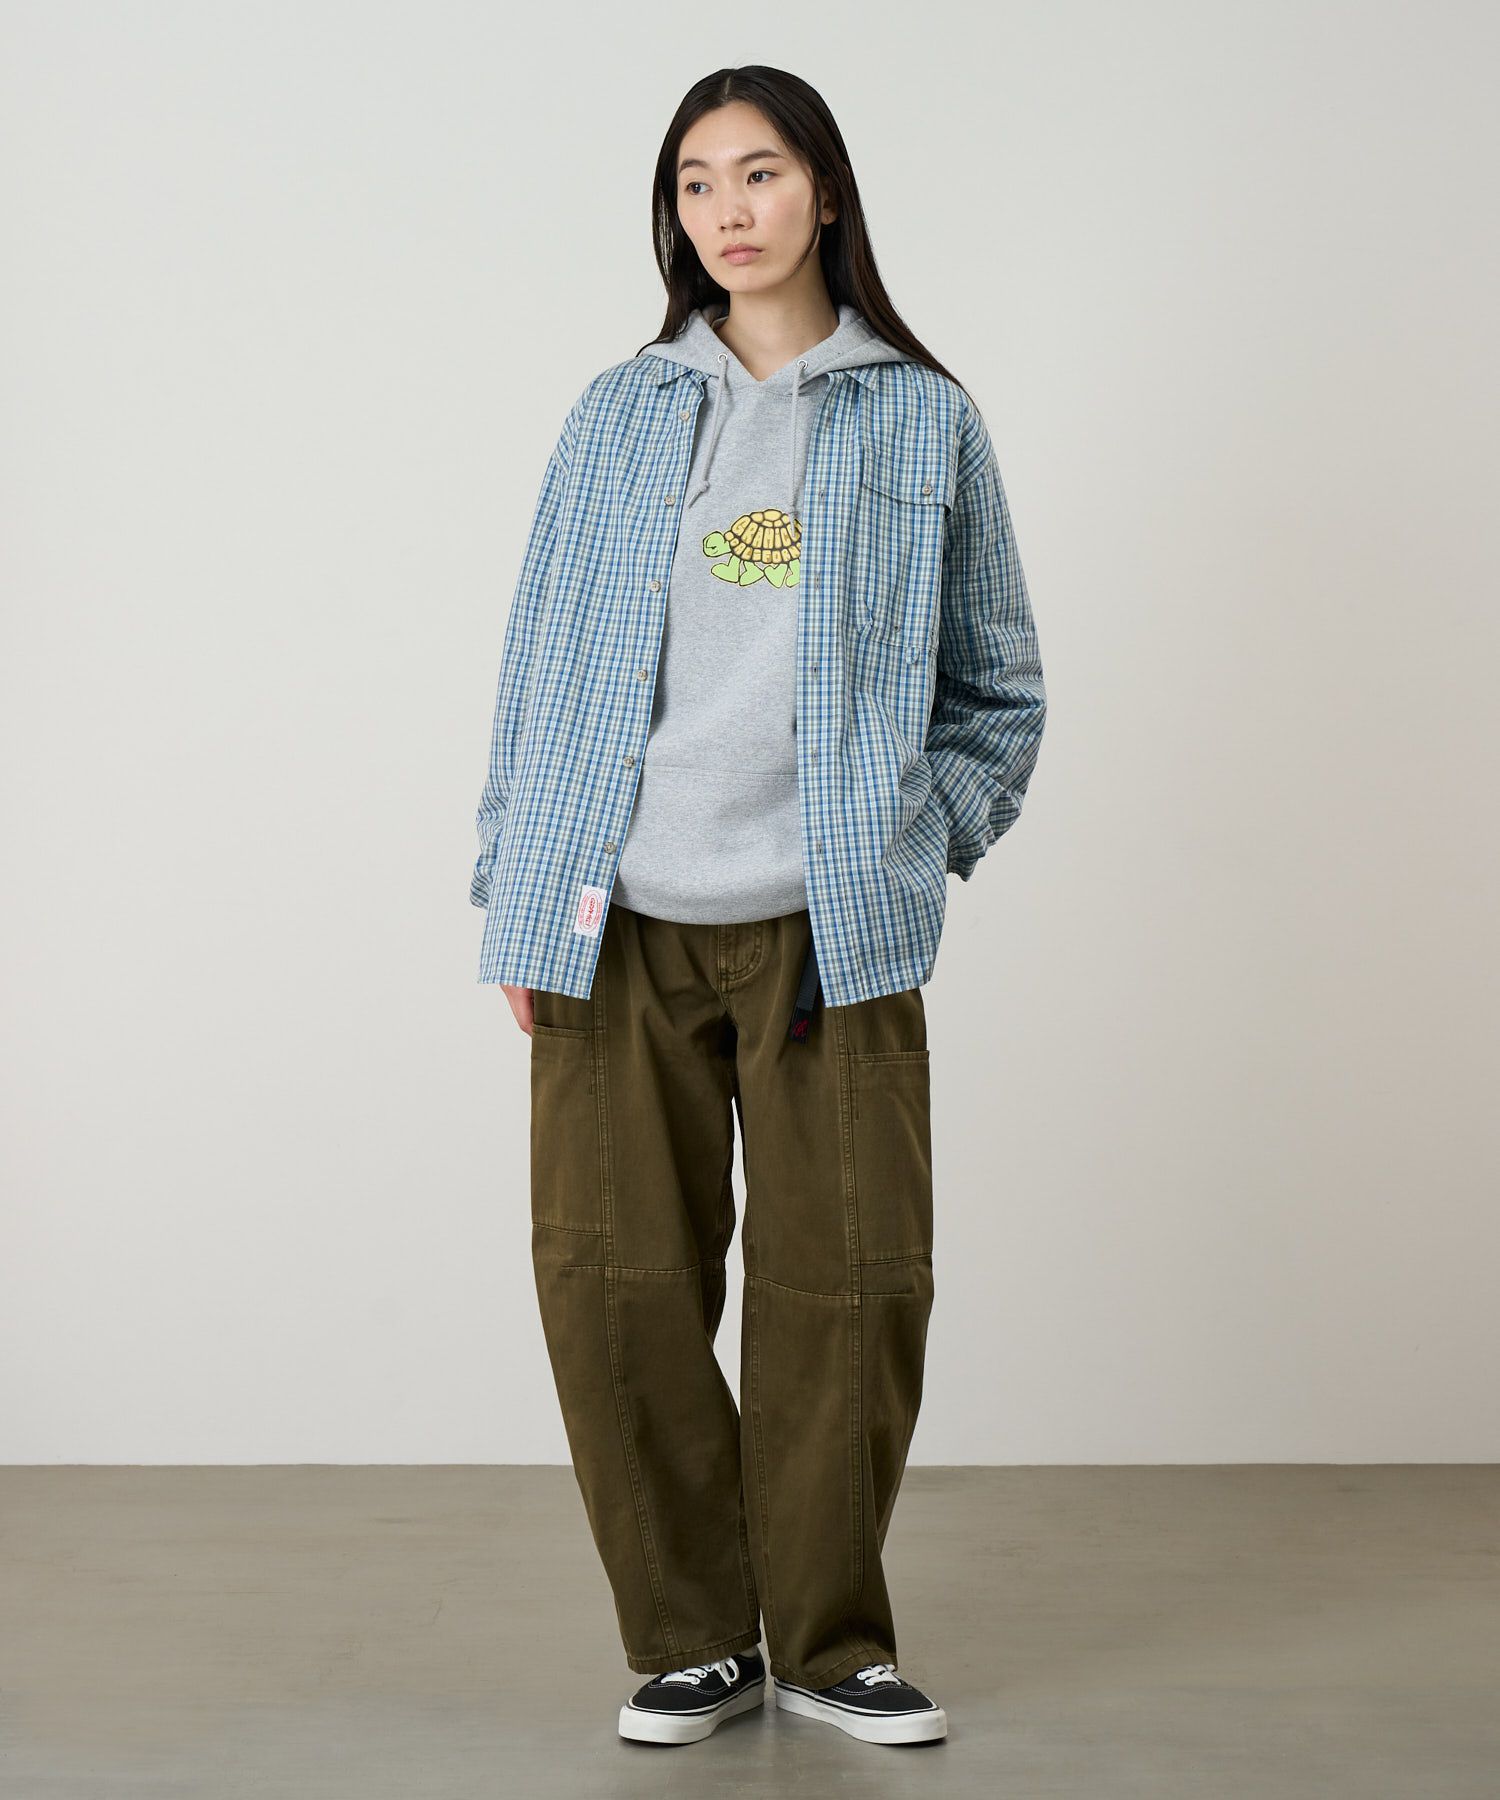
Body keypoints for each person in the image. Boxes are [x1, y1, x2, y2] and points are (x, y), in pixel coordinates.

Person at [470, 65, 1046, 1749]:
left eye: (762, 172)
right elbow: (536, 670)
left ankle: (831, 1641)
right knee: (615, 1283)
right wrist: (516, 895)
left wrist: (913, 846)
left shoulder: (922, 420)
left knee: (850, 1287)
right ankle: (691, 1637)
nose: (729, 209)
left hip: (829, 927)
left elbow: (998, 688)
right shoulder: (617, 414)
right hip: (615, 919)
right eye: (697, 182)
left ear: (827, 192)